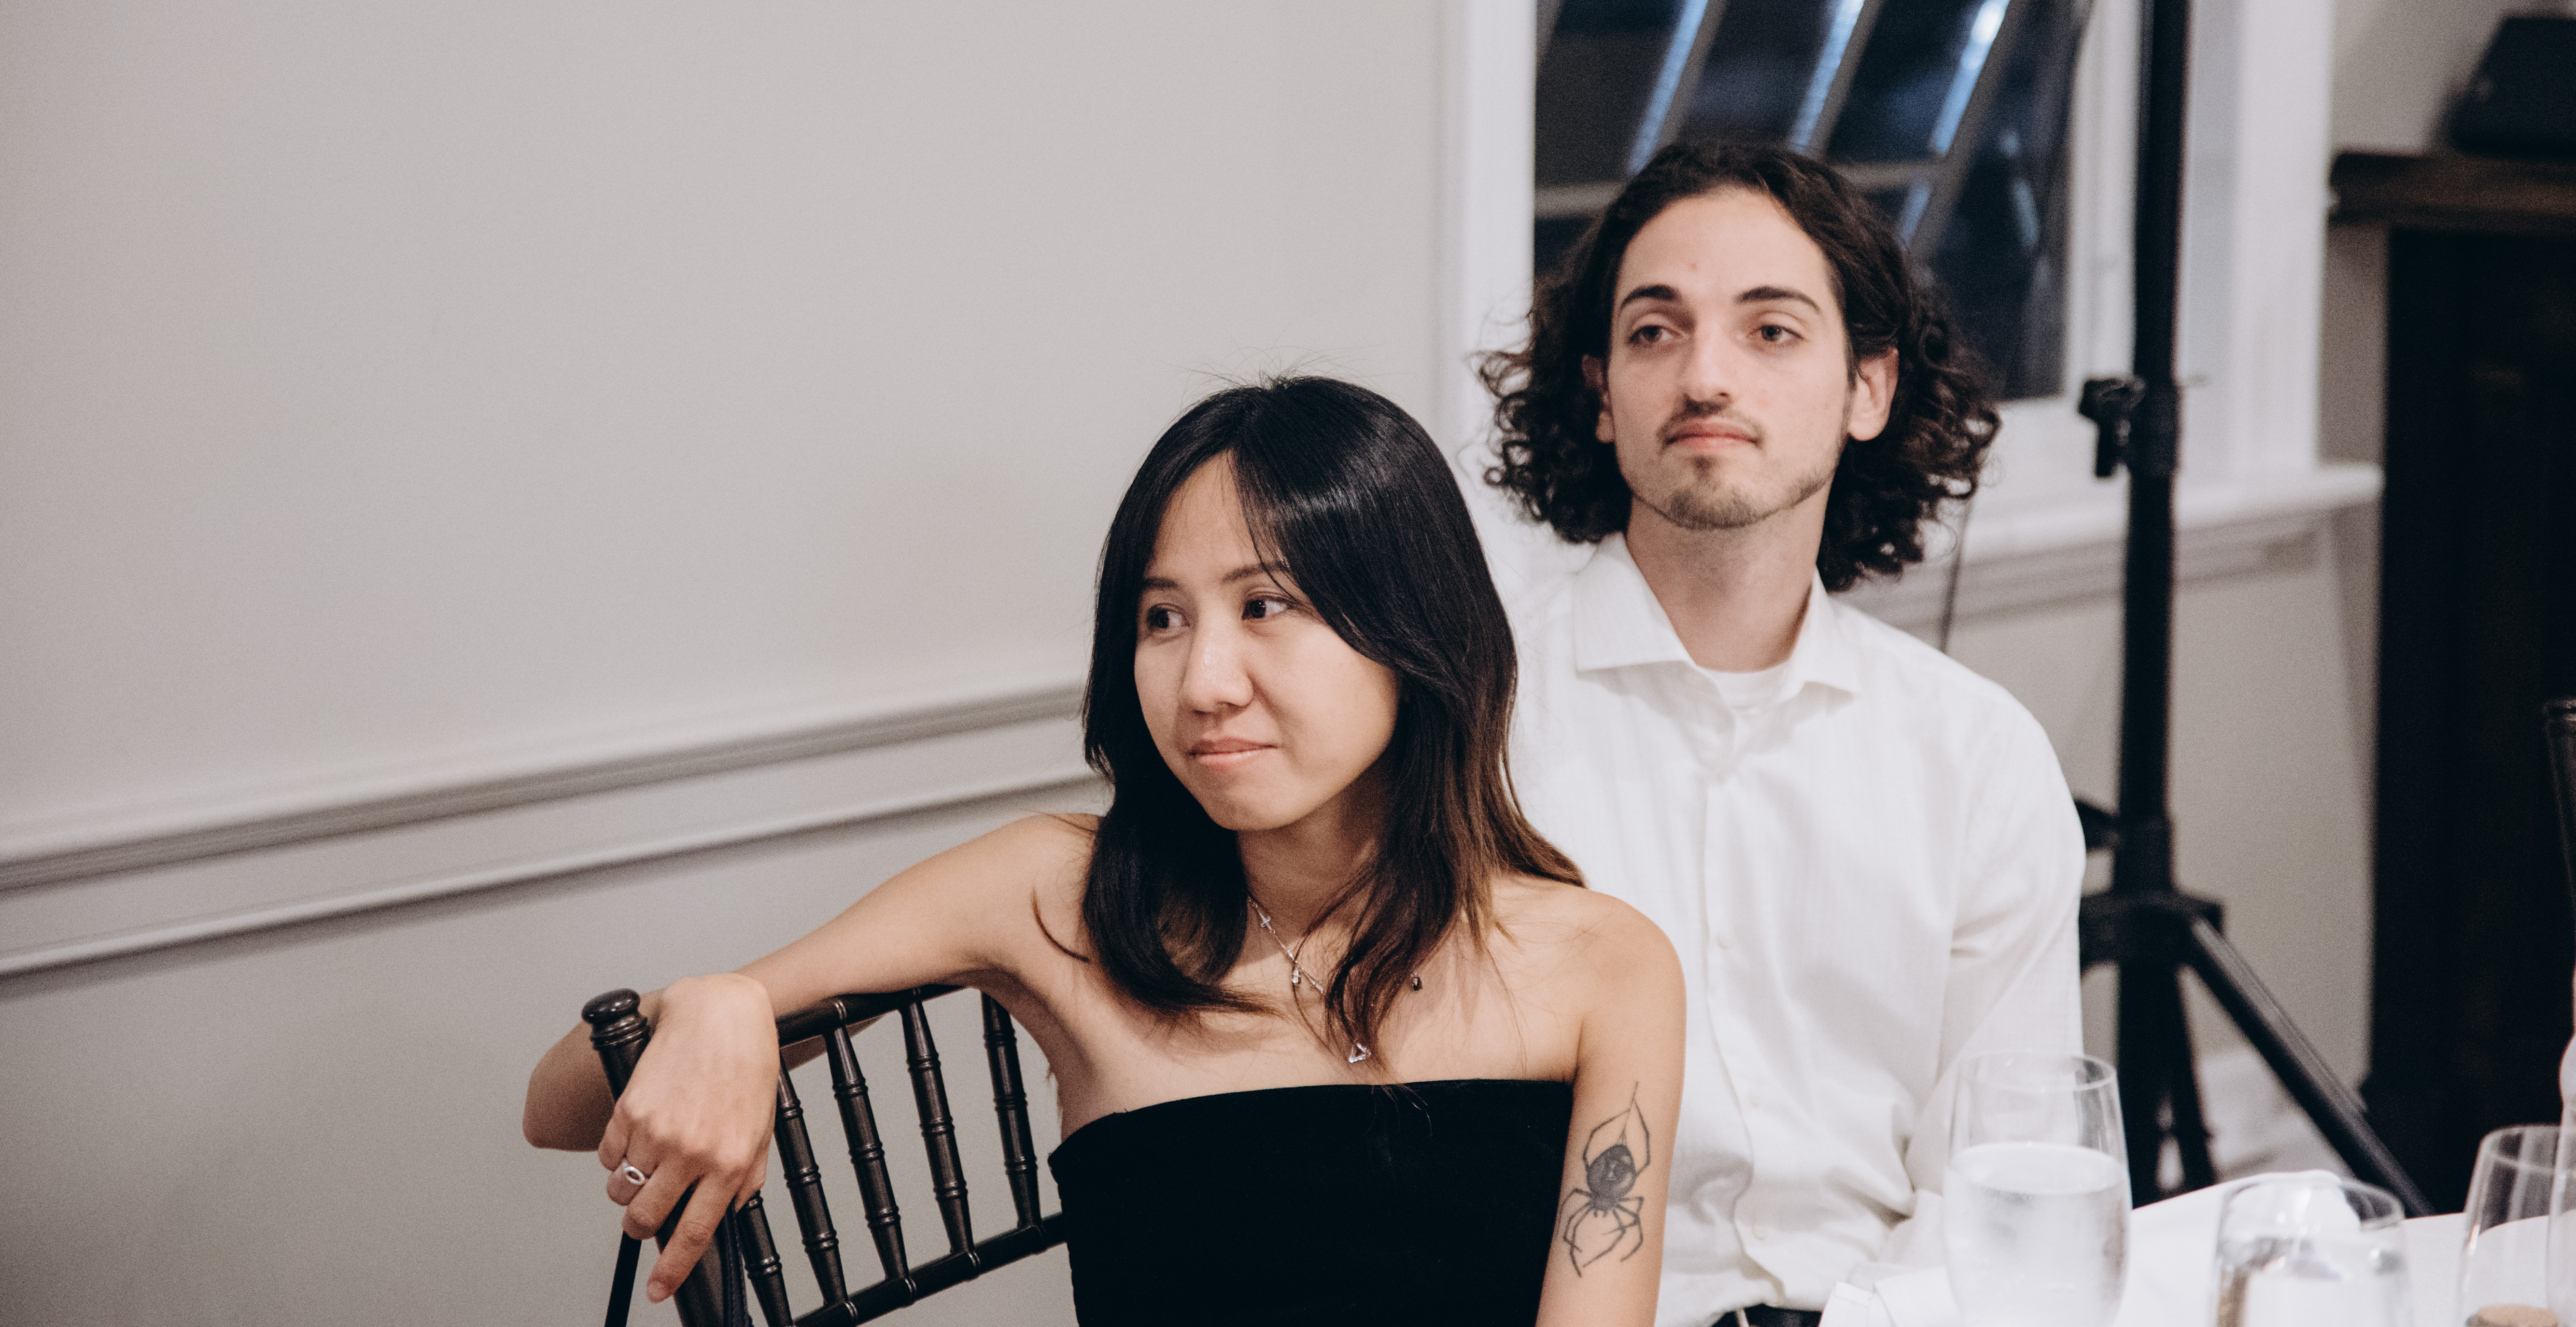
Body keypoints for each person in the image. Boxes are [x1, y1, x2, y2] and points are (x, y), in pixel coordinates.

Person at [524, 376, 1685, 1327]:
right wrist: (722, 1004)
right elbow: (560, 1102)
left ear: (1415, 628)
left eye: (1266, 605)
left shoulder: (1605, 967)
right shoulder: (1058, 896)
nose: (1203, 682)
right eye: (1160, 618)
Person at [1478, 142, 2086, 1327]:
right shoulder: (1473, 723)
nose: (1705, 376)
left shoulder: (1977, 759)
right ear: (1600, 393)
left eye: (1770, 331)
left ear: (1869, 389)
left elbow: (2001, 1185)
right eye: (1655, 333)